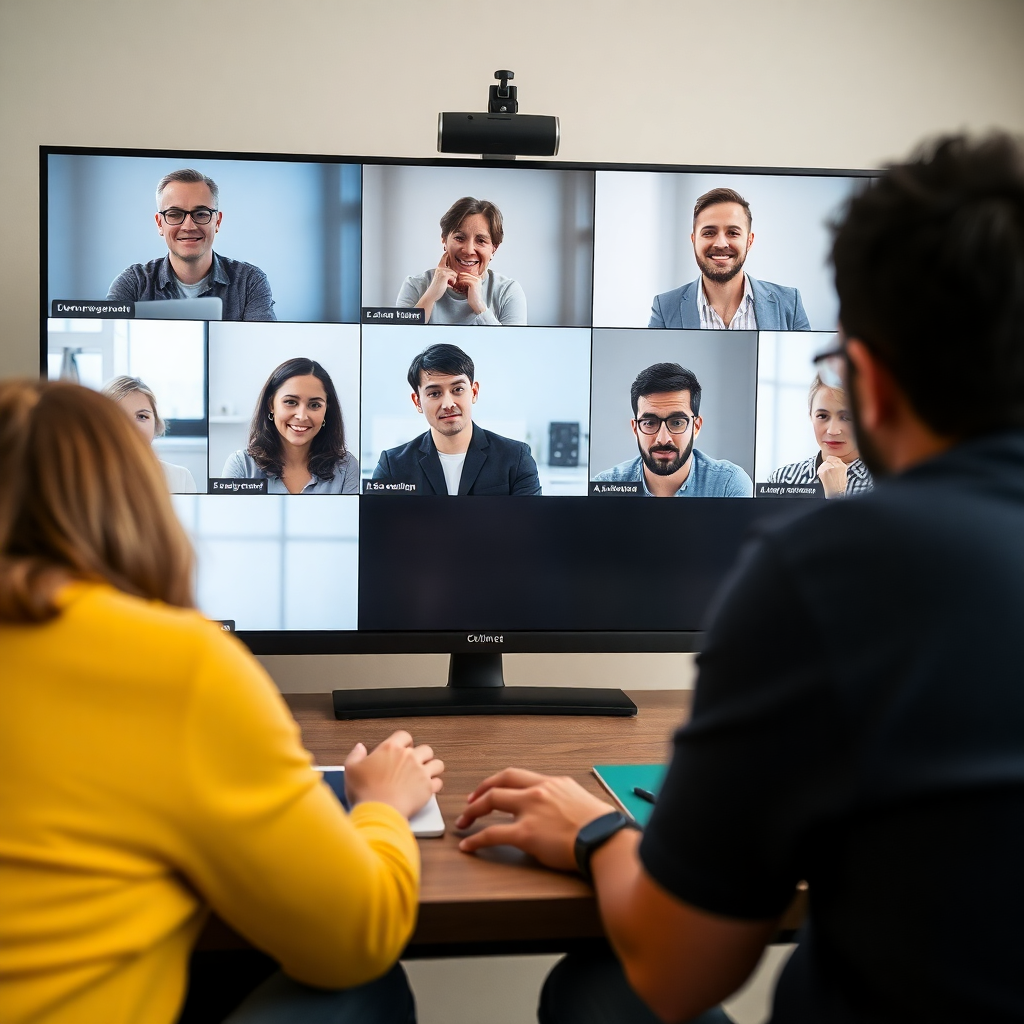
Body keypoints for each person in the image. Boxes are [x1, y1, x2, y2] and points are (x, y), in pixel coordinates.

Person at [456, 132, 1024, 1024]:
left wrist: (596, 831)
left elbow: (681, 969)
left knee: (596, 991)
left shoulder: (824, 569)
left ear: (865, 383)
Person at [0, 379, 445, 1024]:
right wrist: (378, 808)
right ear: (137, 502)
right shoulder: (178, 666)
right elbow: (356, 937)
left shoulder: (348, 470)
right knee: (367, 988)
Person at [107, 168, 276, 321]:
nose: (189, 226)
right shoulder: (133, 284)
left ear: (217, 222)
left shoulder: (250, 282)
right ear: (160, 224)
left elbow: (263, 348)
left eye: (201, 214)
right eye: (174, 214)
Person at [372, 343, 541, 495]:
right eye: (434, 393)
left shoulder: (516, 458)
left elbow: (530, 526)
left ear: (474, 392)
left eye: (458, 389)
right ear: (417, 402)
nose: (448, 404)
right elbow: (378, 526)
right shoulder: (392, 466)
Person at [649, 188, 810, 331]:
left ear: (749, 241)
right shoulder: (664, 307)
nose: (720, 244)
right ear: (694, 240)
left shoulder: (790, 302)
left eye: (732, 233)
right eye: (709, 233)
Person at [592, 362, 753, 497]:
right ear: (635, 429)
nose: (663, 439)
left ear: (696, 427)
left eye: (677, 423)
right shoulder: (605, 487)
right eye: (650, 423)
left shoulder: (729, 484)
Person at [221, 357, 359, 494]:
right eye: (291, 402)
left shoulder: (346, 468)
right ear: (271, 405)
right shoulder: (242, 466)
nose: (302, 416)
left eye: (315, 405)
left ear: (326, 411)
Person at [395, 197, 527, 326]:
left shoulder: (508, 292)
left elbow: (512, 347)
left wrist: (480, 307)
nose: (469, 250)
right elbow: (398, 342)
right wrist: (431, 295)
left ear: (494, 248)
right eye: (459, 238)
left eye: (481, 240)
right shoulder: (414, 285)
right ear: (444, 241)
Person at [767, 372, 874, 498]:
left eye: (847, 417)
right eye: (822, 416)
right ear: (810, 416)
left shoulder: (885, 484)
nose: (833, 431)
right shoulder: (782, 480)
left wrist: (836, 494)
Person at [102, 374, 199, 493]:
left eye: (142, 416)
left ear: (156, 424)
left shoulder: (181, 478)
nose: (132, 426)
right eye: (119, 416)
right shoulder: (82, 479)